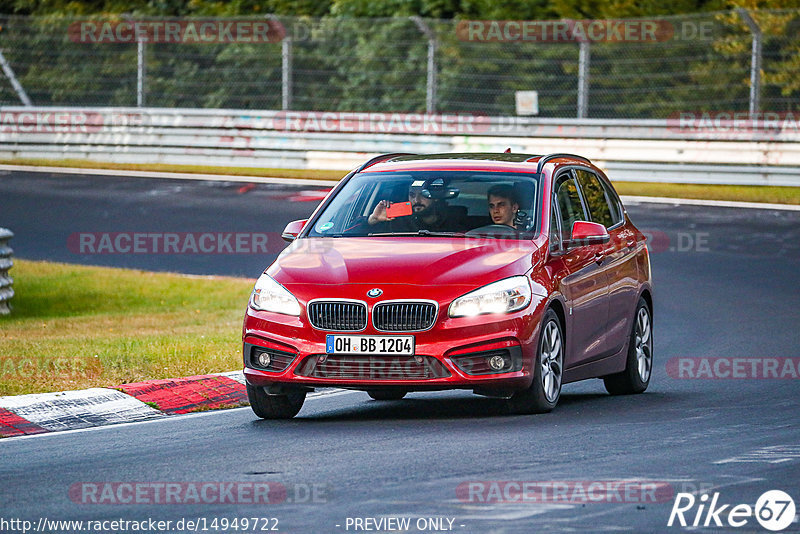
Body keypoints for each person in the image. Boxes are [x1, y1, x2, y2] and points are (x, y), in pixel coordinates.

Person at [367, 180, 465, 232]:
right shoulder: (396, 223)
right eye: (412, 195)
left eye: (423, 194)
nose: (416, 200)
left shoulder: (456, 221)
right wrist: (374, 219)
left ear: (435, 197)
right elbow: (357, 236)